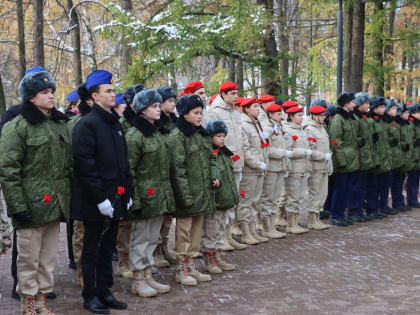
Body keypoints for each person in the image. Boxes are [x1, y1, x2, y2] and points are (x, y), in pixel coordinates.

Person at [0, 69, 71, 315]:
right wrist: (17, 207)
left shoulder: (58, 125)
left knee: (48, 259)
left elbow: (66, 166)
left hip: (53, 205)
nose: (51, 96)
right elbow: (9, 170)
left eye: (51, 91)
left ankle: (42, 299)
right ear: (31, 97)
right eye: (44, 92)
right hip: (30, 206)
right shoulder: (16, 127)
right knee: (28, 260)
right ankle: (28, 302)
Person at [71, 70, 133, 313]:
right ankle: (90, 295)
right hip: (96, 201)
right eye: (108, 91)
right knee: (92, 249)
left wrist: (127, 193)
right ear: (95, 96)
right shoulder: (87, 124)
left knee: (108, 248)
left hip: (115, 197)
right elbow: (85, 164)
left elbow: (122, 162)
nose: (113, 93)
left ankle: (105, 291)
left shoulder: (113, 122)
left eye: (112, 89)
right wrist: (100, 198)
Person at [167, 94, 220, 286]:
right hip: (186, 194)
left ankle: (192, 265)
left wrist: (215, 176)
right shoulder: (177, 136)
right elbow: (177, 168)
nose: (200, 116)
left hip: (202, 193)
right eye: (195, 113)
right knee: (184, 231)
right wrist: (184, 195)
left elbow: (212, 158)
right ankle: (182, 268)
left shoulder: (202, 134)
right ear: (185, 115)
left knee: (196, 232)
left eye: (201, 112)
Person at [125, 89, 174, 297]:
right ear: (142, 110)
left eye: (158, 105)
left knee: (153, 238)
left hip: (158, 196)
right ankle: (137, 279)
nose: (158, 109)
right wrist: (135, 199)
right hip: (144, 196)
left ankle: (148, 275)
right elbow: (129, 171)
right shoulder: (134, 136)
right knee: (140, 239)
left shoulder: (158, 133)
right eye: (154, 106)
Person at [209, 82, 247, 251]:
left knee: (232, 201)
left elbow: (241, 136)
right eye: (232, 93)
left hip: (237, 163)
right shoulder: (215, 112)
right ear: (223, 94)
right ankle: (220, 238)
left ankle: (228, 235)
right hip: (223, 163)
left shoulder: (236, 113)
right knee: (223, 201)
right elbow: (213, 139)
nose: (235, 96)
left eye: (236, 93)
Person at [115, 84, 145, 280]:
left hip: (145, 178)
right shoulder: (123, 124)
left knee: (141, 225)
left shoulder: (147, 123)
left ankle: (140, 261)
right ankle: (123, 261)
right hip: (126, 177)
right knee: (125, 224)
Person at [201, 120, 239, 274]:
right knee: (211, 230)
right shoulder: (210, 153)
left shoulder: (224, 153)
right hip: (215, 200)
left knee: (220, 229)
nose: (222, 139)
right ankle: (208, 259)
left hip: (224, 199)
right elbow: (212, 170)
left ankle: (218, 256)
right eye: (218, 136)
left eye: (224, 136)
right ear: (210, 137)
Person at [237, 98, 269, 244]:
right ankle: (245, 232)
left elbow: (263, 145)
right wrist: (257, 164)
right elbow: (245, 150)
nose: (258, 109)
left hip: (258, 168)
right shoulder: (244, 125)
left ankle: (253, 230)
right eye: (255, 107)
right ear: (246, 109)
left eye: (258, 106)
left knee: (255, 202)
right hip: (250, 170)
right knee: (246, 202)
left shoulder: (257, 123)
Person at [152, 86, 178, 267]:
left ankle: (164, 248)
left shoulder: (174, 122)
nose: (173, 104)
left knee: (168, 215)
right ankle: (154, 251)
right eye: (170, 101)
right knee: (159, 215)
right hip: (160, 174)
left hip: (172, 172)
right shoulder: (157, 123)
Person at [328, 92, 360, 226]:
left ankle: (342, 214)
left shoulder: (350, 118)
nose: (355, 104)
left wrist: (360, 141)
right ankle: (336, 215)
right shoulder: (338, 118)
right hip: (344, 161)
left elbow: (351, 139)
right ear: (346, 104)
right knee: (340, 189)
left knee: (347, 189)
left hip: (351, 160)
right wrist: (341, 161)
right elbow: (335, 141)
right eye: (352, 102)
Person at [259, 103, 289, 238]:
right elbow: (267, 149)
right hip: (271, 168)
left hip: (279, 167)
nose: (281, 116)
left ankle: (272, 226)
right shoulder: (267, 128)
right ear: (270, 115)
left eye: (281, 113)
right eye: (278, 114)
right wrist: (283, 153)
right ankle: (267, 228)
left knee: (275, 198)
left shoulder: (279, 127)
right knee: (268, 198)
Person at [283, 105, 311, 233]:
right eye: (299, 115)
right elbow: (288, 150)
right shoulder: (288, 131)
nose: (302, 117)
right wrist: (304, 151)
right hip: (294, 168)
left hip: (303, 168)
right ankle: (290, 224)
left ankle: (295, 222)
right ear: (291, 117)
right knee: (293, 197)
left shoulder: (302, 130)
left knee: (299, 197)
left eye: (302, 115)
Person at [348, 92, 376, 222]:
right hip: (358, 157)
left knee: (362, 186)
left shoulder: (363, 118)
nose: (369, 105)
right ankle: (354, 211)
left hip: (365, 157)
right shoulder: (354, 118)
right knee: (356, 186)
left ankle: (358, 210)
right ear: (359, 104)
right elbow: (354, 139)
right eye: (366, 103)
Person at [303, 105, 331, 229]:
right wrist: (322, 156)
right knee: (315, 193)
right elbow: (310, 150)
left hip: (324, 166)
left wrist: (329, 163)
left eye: (324, 115)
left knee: (322, 194)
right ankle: (312, 219)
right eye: (321, 115)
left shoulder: (322, 129)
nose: (324, 117)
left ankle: (317, 217)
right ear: (314, 116)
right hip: (316, 166)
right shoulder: (309, 129)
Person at [366, 96, 393, 220]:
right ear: (375, 107)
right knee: (373, 186)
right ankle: (372, 209)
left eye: (384, 107)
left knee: (381, 185)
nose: (384, 109)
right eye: (381, 107)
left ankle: (377, 208)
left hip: (383, 157)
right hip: (376, 158)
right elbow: (370, 142)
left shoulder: (381, 121)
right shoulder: (370, 121)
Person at [391, 103, 414, 211]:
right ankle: (397, 202)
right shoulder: (396, 125)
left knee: (400, 180)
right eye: (405, 112)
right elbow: (396, 141)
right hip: (398, 156)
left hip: (406, 156)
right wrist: (404, 146)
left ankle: (400, 201)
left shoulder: (407, 124)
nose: (408, 114)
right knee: (396, 181)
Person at [407, 103, 420, 208]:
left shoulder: (417, 123)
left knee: (416, 179)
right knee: (413, 178)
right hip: (413, 155)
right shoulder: (410, 124)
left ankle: (414, 198)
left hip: (418, 154)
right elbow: (409, 139)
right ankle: (412, 199)